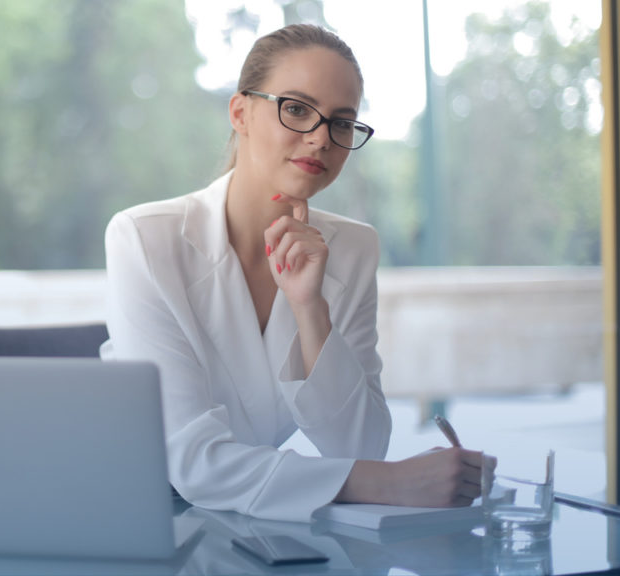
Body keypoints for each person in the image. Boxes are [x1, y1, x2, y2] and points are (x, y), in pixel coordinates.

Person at [100, 24, 482, 522]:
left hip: (254, 527)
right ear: (240, 112)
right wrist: (389, 483)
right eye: (297, 109)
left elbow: (360, 443)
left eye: (342, 123)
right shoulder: (144, 239)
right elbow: (193, 463)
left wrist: (309, 309)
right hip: (140, 520)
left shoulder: (352, 248)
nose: (321, 138)